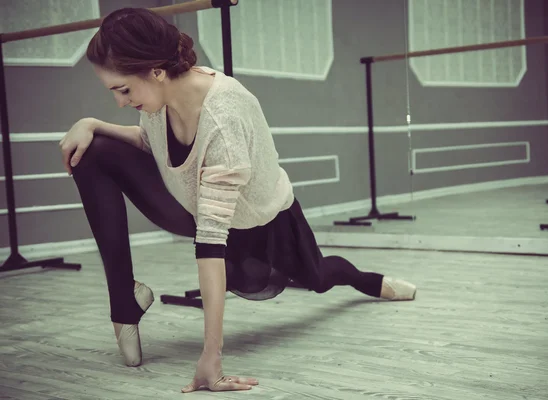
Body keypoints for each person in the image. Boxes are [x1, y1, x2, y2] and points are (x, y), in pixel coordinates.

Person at [59, 7, 417, 394]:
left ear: (156, 71)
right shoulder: (159, 97)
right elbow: (151, 145)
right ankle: (124, 301)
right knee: (91, 152)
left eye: (123, 90)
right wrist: (91, 124)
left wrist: (211, 358)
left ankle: (365, 280)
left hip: (262, 224)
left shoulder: (224, 115)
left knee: (319, 276)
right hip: (193, 207)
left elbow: (212, 241)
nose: (120, 102)